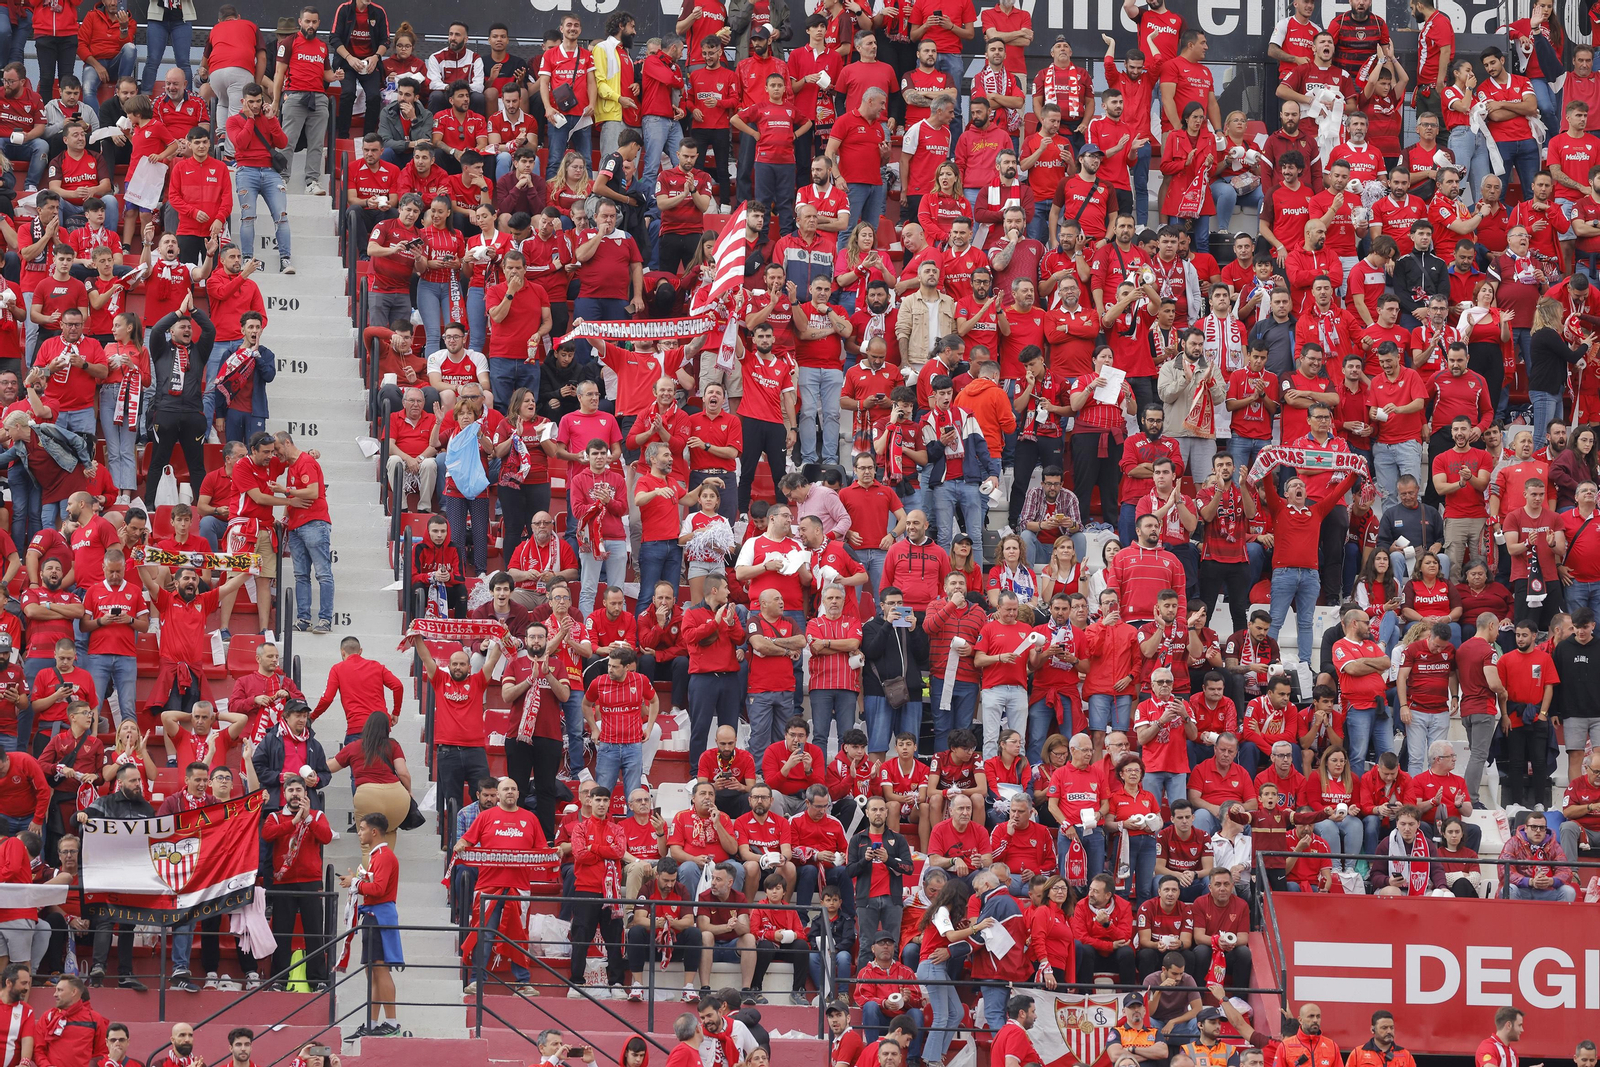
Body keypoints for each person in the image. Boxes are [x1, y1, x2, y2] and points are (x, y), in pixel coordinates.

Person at [262, 774, 331, 991]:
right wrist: (293, 822)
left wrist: (307, 819)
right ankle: (279, 980)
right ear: (284, 795)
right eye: (290, 791)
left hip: (310, 881)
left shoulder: (317, 815)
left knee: (314, 933)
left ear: (305, 793)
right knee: (282, 932)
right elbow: (267, 834)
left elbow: (326, 837)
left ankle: (318, 978)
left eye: (298, 791)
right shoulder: (274, 817)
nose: (295, 794)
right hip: (283, 882)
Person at [271, 7, 343, 197]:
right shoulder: (289, 42)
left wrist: (336, 75)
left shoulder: (322, 46)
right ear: (300, 22)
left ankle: (312, 181)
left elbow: (326, 74)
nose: (311, 25)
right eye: (307, 21)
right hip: (294, 95)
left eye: (314, 22)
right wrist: (276, 102)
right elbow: (278, 74)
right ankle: (281, 179)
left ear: (319, 23)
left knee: (317, 143)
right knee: (287, 140)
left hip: (319, 96)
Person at [340, 812, 401, 1035]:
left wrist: (355, 883)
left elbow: (379, 890)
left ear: (374, 832)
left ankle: (392, 1023)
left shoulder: (383, 856)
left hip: (379, 917)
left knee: (380, 969)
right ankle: (373, 1023)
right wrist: (358, 881)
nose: (359, 833)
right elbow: (376, 887)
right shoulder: (379, 855)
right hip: (375, 916)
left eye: (362, 828)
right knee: (372, 970)